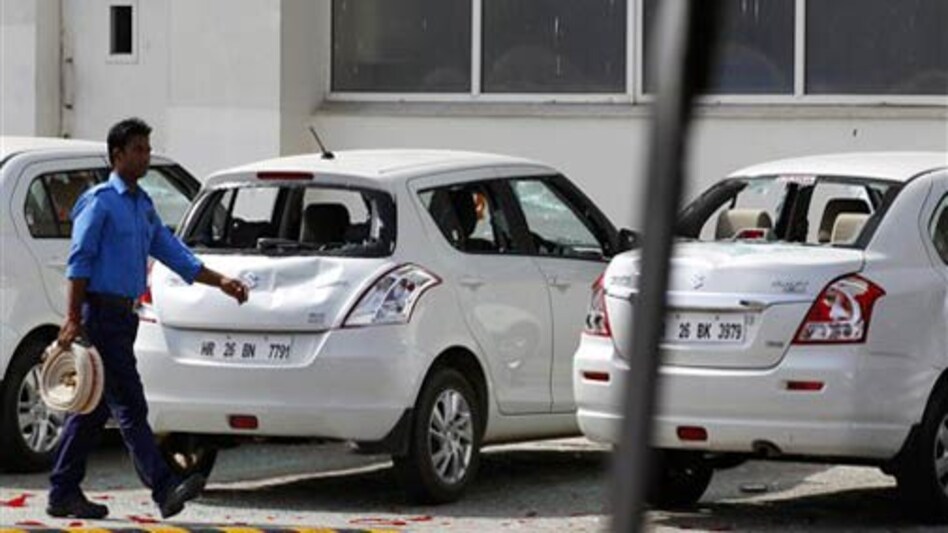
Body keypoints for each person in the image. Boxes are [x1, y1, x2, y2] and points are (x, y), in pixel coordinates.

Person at [48, 118, 249, 520]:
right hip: (99, 315)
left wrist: (221, 281)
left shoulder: (142, 206)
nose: (145, 157)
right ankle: (164, 487)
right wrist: (73, 318)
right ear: (117, 155)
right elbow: (80, 261)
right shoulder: (100, 202)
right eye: (138, 149)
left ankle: (63, 491)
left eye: (147, 149)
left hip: (124, 317)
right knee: (130, 405)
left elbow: (173, 252)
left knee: (92, 410)